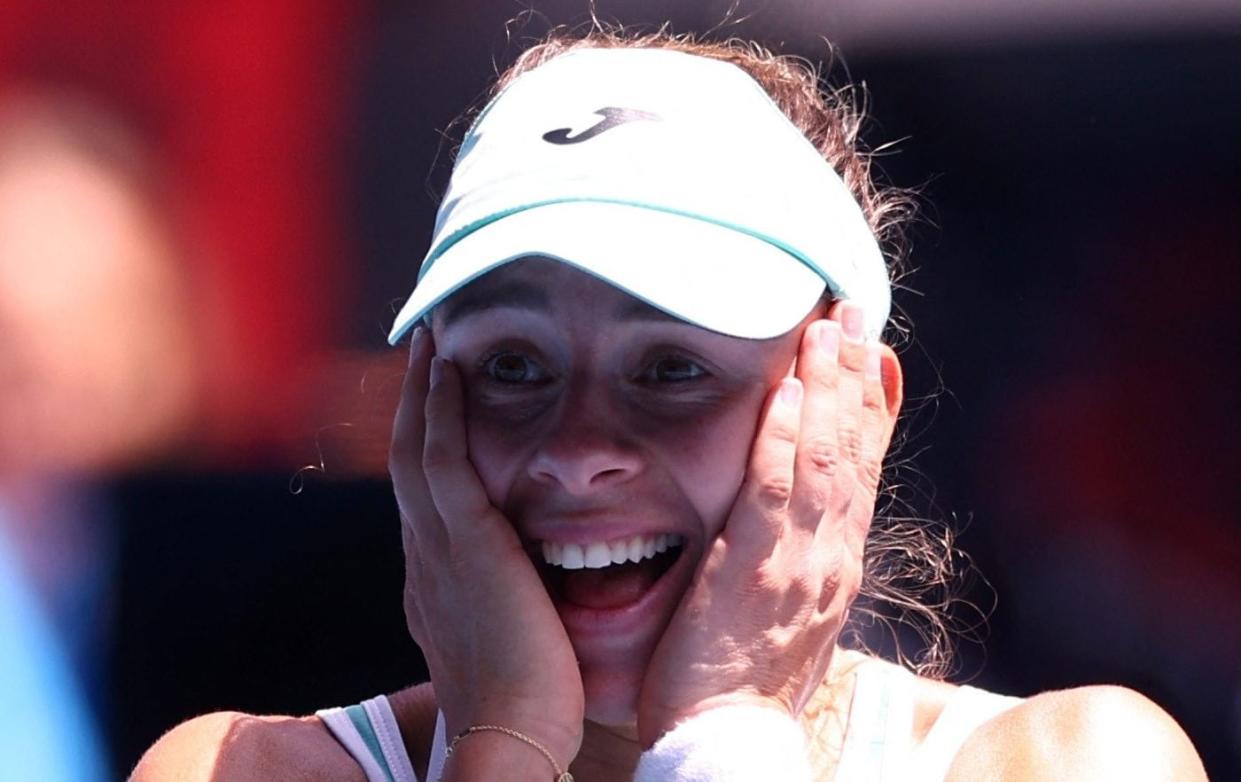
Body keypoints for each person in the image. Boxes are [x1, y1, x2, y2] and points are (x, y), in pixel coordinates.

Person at [132, 28, 1208, 781]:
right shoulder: (236, 771)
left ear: (852, 410)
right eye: (512, 366)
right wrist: (505, 742)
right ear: (424, 410)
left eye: (669, 366)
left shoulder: (1069, 763)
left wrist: (725, 729)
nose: (576, 452)